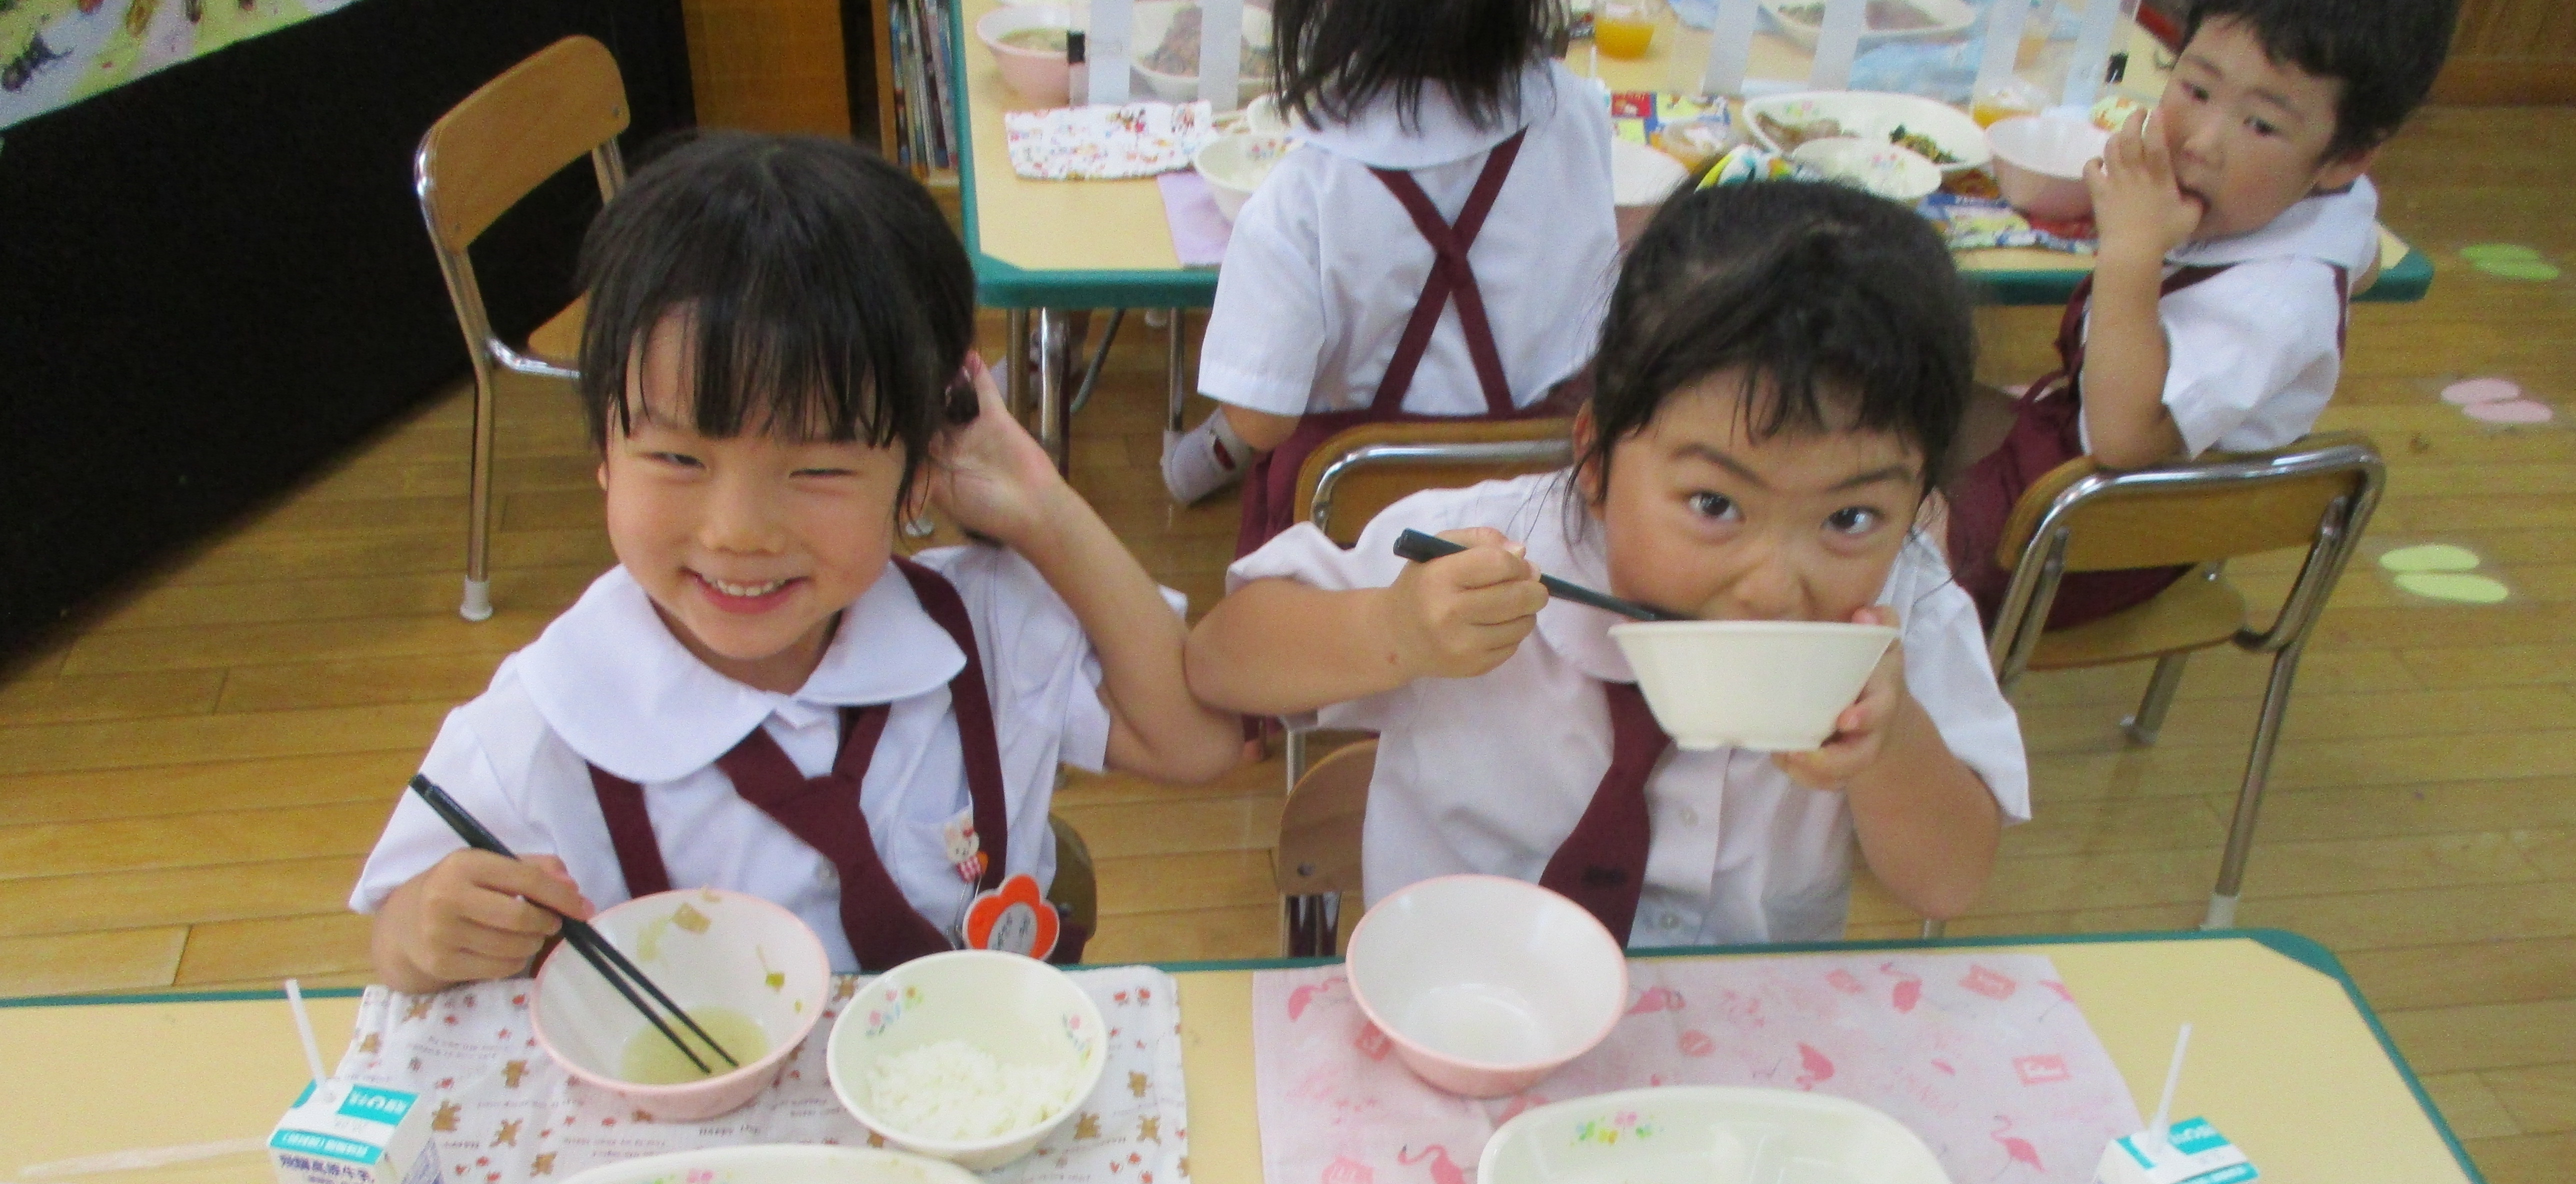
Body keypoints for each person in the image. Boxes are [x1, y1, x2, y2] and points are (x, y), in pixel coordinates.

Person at [356, 134, 1240, 991]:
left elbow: (1197, 743)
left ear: (915, 473)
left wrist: (1044, 507)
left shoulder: (983, 626)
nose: (739, 531)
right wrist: (426, 927)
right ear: (602, 452)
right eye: (677, 459)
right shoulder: (542, 722)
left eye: (815, 469)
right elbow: (396, 938)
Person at [1188, 179, 2028, 945]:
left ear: (1918, 500)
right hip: (1460, 1002)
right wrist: (1390, 626)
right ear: (1594, 461)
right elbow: (1219, 661)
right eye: (1714, 504)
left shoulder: (1902, 608)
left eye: (1850, 517)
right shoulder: (1481, 545)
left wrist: (1890, 746)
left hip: (1733, 1049)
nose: (1773, 584)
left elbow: (1948, 879)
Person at [1943, 0, 2459, 629]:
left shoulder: (2274, 305)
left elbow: (2123, 440)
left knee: (1850, 524)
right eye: (2195, 88)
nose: (2201, 143)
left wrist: (2131, 250)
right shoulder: (2311, 206)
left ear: (2346, 159)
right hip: (2060, 451)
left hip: (2088, 536)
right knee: (1879, 398)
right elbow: (2366, 251)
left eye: (2261, 126)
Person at [1158, 0, 1618, 556]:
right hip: (1538, 528)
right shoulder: (1576, 114)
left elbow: (1261, 421)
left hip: (1354, 555)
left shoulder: (1301, 196)